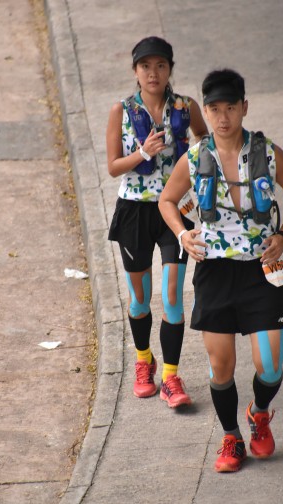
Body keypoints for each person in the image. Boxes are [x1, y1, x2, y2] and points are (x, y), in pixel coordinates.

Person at [159, 68, 283, 470]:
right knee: (221, 366)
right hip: (215, 271)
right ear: (205, 112)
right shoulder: (196, 158)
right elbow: (167, 200)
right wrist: (182, 234)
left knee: (270, 367)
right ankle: (231, 437)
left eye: (230, 108)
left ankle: (259, 412)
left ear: (244, 107)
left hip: (261, 268)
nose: (222, 117)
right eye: (214, 109)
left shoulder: (267, 153)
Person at [106, 36, 208, 408]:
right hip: (134, 210)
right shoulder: (121, 110)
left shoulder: (186, 106)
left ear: (170, 70)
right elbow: (113, 166)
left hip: (173, 210)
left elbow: (206, 142)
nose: (153, 73)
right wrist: (142, 153)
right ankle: (143, 360)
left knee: (172, 296)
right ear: (135, 71)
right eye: (146, 66)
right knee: (139, 298)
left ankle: (170, 376)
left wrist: (196, 173)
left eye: (160, 66)